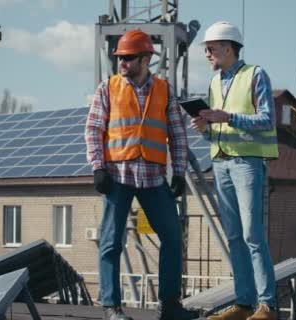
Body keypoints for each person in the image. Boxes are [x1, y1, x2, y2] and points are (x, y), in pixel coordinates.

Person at [86, 29, 197, 320]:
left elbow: (177, 132)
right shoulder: (107, 88)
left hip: (153, 178)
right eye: (119, 58)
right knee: (111, 242)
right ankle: (112, 308)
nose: (122, 62)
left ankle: (170, 306)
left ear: (146, 58)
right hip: (117, 177)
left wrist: (179, 171)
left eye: (128, 58)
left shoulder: (164, 90)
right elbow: (94, 130)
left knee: (172, 237)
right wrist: (98, 167)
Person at [190, 21, 279, 320]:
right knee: (234, 237)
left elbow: (267, 119)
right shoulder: (215, 83)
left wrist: (227, 117)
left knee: (253, 234)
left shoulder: (256, 75)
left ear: (228, 48)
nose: (207, 54)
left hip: (247, 163)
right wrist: (205, 127)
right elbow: (217, 128)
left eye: (210, 48)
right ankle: (244, 303)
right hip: (221, 162)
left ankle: (267, 305)